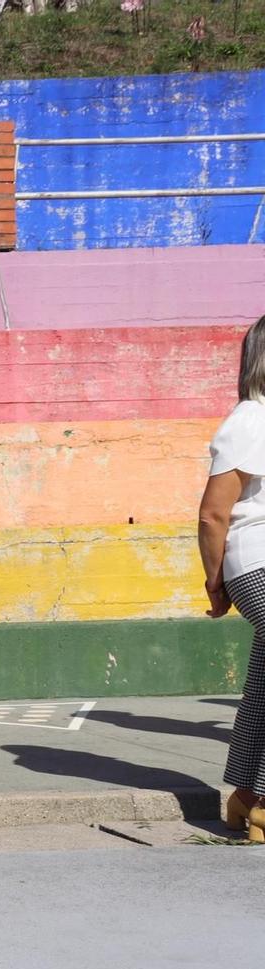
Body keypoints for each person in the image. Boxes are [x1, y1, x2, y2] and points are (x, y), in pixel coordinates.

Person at [198, 313, 265, 843]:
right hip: (256, 563)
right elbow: (213, 514)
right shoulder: (248, 418)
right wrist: (215, 582)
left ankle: (245, 797)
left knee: (262, 685)